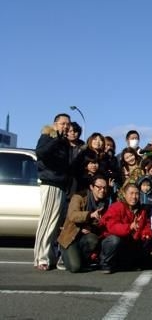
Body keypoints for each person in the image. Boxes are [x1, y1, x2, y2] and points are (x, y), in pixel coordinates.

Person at [34, 112, 72, 271]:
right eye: (63, 123)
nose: (66, 126)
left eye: (68, 124)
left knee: (55, 224)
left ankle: (50, 257)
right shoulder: (48, 136)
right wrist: (56, 139)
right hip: (50, 182)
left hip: (60, 185)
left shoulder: (64, 142)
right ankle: (41, 258)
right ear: (55, 124)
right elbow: (40, 153)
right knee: (47, 221)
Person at [57, 175, 109, 272]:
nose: (102, 190)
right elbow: (72, 215)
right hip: (71, 236)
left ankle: (82, 259)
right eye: (99, 187)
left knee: (93, 239)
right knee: (75, 267)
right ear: (91, 187)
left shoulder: (104, 202)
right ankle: (62, 256)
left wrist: (91, 227)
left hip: (85, 237)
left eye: (105, 188)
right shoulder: (79, 197)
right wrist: (90, 215)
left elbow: (101, 223)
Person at [99, 183, 152, 273]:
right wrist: (130, 227)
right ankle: (105, 263)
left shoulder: (141, 210)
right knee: (114, 240)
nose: (134, 197)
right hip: (114, 240)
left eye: (137, 194)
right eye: (131, 193)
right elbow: (112, 227)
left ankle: (126, 263)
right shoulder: (116, 207)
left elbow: (146, 225)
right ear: (124, 194)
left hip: (130, 242)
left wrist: (146, 234)